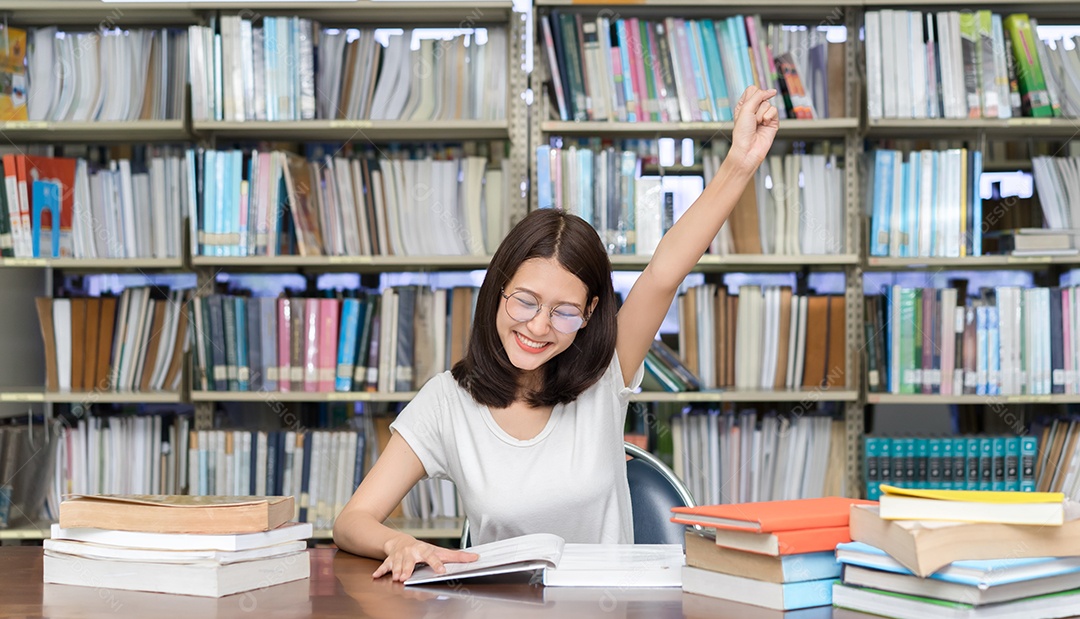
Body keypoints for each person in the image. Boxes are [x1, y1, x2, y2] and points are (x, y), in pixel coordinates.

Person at [333, 86, 779, 581]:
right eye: (525, 301)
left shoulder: (606, 374)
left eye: (564, 311)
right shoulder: (447, 401)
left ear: (590, 313)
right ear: (497, 289)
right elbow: (352, 521)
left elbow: (663, 272)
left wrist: (739, 163)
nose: (539, 327)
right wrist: (399, 540)